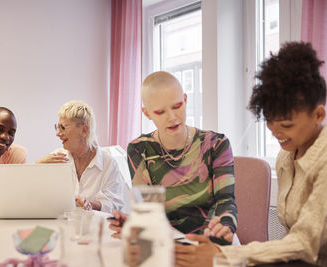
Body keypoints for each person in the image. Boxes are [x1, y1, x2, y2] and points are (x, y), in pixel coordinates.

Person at [176, 42, 327, 267]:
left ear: (318, 115)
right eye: (269, 122)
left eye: (286, 125)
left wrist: (223, 256)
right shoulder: (286, 158)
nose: (276, 133)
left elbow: (306, 244)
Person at [109, 71, 238, 245]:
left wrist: (224, 224)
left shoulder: (215, 143)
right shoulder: (140, 149)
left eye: (177, 106)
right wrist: (136, 226)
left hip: (211, 238)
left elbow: (226, 200)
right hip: (166, 240)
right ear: (147, 113)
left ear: (185, 100)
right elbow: (147, 210)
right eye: (160, 112)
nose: (172, 117)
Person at [37, 101, 126, 213]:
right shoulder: (56, 158)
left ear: (84, 130)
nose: (58, 133)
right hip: (61, 225)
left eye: (63, 127)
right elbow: (37, 196)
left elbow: (115, 204)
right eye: (57, 127)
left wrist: (90, 204)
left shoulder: (108, 163)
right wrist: (38, 166)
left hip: (94, 227)